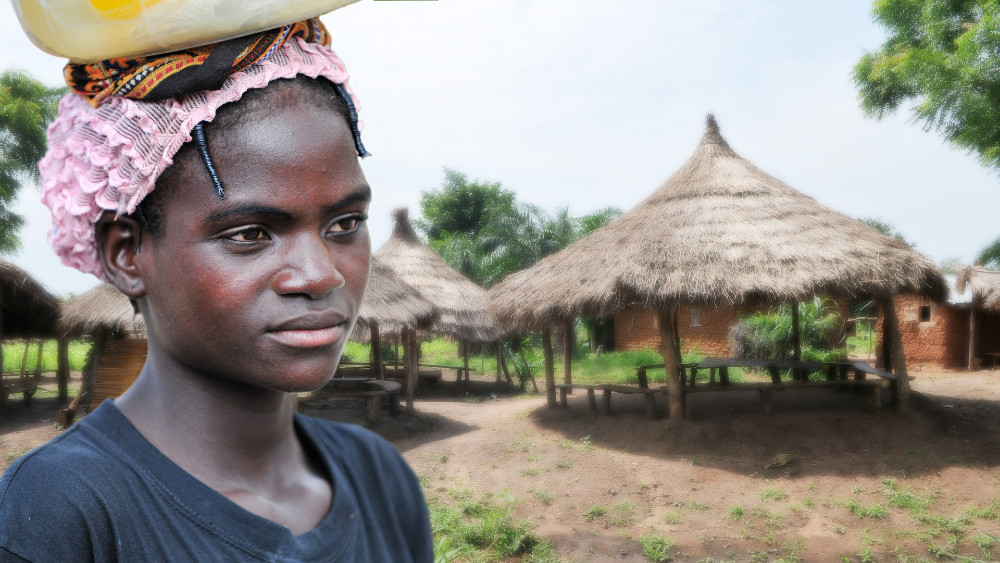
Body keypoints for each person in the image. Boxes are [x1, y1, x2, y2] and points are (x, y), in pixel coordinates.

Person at [0, 19, 433, 562]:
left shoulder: (380, 476)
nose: (322, 275)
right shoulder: (58, 514)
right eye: (250, 234)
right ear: (126, 254)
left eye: (344, 224)